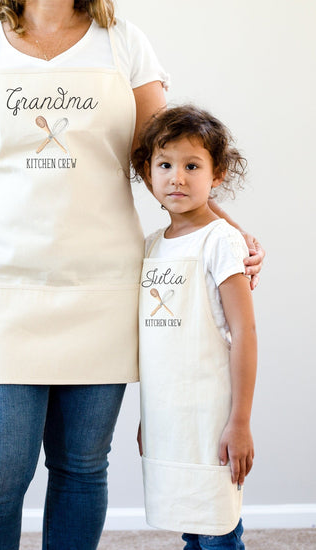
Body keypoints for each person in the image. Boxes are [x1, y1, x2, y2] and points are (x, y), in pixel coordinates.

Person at [0, 1, 264, 548]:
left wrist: (227, 234)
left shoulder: (124, 43)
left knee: (81, 469)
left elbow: (164, 155)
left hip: (104, 287)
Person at [132, 105, 257, 550]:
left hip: (211, 415)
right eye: (164, 165)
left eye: (192, 166)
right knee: (191, 519)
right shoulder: (150, 246)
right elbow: (158, 342)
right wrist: (151, 416)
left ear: (217, 174)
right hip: (170, 415)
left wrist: (239, 422)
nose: (177, 178)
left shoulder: (221, 240)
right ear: (148, 175)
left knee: (217, 525)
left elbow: (244, 334)